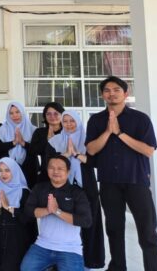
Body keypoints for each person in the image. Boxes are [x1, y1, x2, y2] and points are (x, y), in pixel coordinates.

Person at [86, 76, 157, 271]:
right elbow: (91, 150)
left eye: (116, 90)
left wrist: (120, 133)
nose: (111, 93)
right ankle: (117, 267)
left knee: (147, 231)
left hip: (137, 181)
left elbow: (148, 150)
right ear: (102, 95)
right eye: (107, 90)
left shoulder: (140, 119)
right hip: (109, 182)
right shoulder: (96, 120)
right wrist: (108, 132)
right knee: (114, 229)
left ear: (126, 94)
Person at [47, 110, 105, 269]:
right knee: (63, 225)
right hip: (63, 189)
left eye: (72, 121)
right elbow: (50, 164)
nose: (68, 124)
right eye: (65, 121)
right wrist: (66, 154)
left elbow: (96, 162)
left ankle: (89, 262)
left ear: (78, 122)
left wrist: (78, 154)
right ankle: (61, 262)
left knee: (88, 224)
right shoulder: (55, 141)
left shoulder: (89, 141)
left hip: (86, 188)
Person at [20, 155, 92, 271]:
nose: (55, 171)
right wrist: (47, 210)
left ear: (68, 172)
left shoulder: (77, 192)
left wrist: (57, 211)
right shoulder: (39, 188)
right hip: (42, 245)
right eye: (51, 168)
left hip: (69, 249)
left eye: (60, 168)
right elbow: (28, 210)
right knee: (26, 269)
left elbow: (86, 221)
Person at [0, 158, 35, 271]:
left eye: (7, 170)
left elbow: (29, 218)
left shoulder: (24, 192)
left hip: (16, 236)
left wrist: (9, 208)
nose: (3, 174)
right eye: (0, 170)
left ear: (15, 171)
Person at [0, 102, 38, 184]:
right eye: (11, 113)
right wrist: (13, 143)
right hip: (8, 169)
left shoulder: (33, 130)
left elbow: (37, 150)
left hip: (30, 168)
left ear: (22, 112)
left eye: (17, 112)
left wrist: (23, 143)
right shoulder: (2, 130)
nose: (15, 115)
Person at [28, 102, 64, 186]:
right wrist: (48, 141)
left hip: (65, 172)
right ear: (45, 116)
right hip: (45, 172)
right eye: (49, 114)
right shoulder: (39, 132)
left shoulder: (66, 132)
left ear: (62, 115)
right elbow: (32, 151)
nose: (52, 116)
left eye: (56, 113)